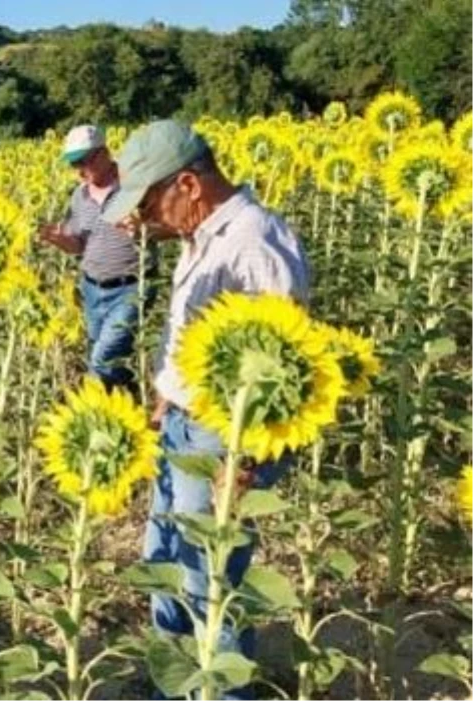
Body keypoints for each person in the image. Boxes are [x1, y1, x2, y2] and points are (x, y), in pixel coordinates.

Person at [101, 120, 310, 701]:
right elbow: (196, 334)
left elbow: (285, 361)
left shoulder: (253, 240)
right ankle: (176, 683)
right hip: (183, 425)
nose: (143, 219)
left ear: (188, 184)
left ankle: (222, 692)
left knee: (209, 580)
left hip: (225, 437)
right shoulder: (203, 234)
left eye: (148, 203)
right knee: (163, 558)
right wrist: (167, 390)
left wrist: (246, 462)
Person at [38, 124, 154, 394]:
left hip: (130, 288)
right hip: (92, 289)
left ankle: (91, 410)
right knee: (113, 361)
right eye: (73, 164)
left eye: (83, 162)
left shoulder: (134, 187)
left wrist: (143, 229)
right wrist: (60, 240)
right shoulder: (80, 196)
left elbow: (167, 227)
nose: (79, 170)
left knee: (102, 359)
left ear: (103, 153)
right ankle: (132, 401)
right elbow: (79, 244)